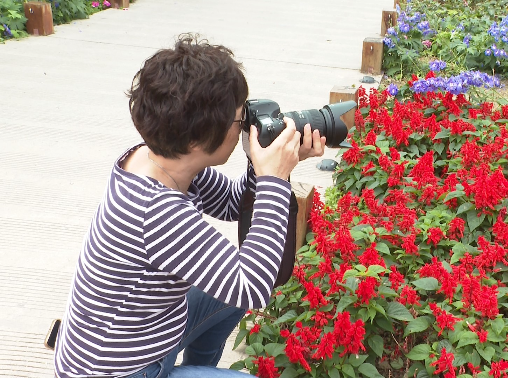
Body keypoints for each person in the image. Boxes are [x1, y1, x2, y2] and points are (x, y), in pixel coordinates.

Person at [54, 33, 326, 378]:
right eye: (240, 120)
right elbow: (254, 285)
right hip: (122, 371)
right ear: (198, 138)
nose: (246, 125)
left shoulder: (160, 158)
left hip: (149, 335)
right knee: (237, 289)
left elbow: (230, 203)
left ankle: (196, 369)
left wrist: (260, 162)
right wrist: (275, 178)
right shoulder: (155, 209)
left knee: (227, 296)